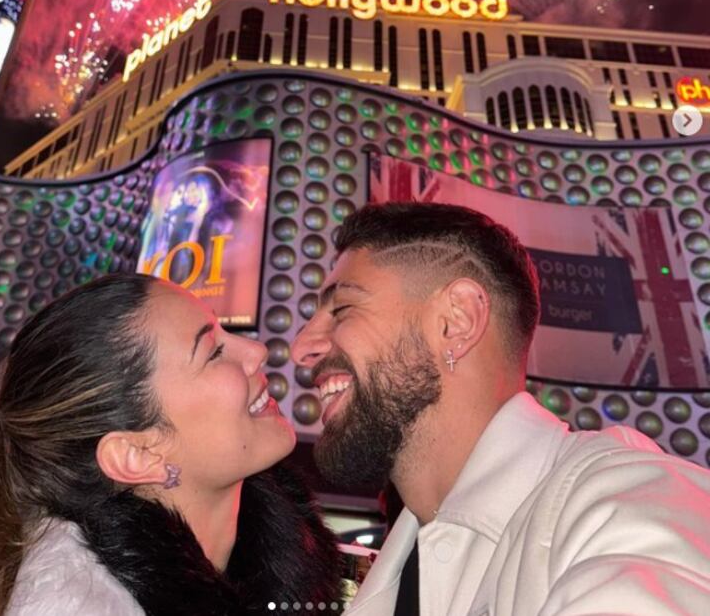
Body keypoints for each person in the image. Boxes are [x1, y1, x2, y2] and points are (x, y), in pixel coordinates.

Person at [292, 202, 710, 616]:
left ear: (456, 321)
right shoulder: (392, 576)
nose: (301, 349)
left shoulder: (630, 498)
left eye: (342, 309)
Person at [0, 274, 341, 615]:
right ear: (138, 454)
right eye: (212, 351)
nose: (256, 351)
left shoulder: (283, 552)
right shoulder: (76, 603)